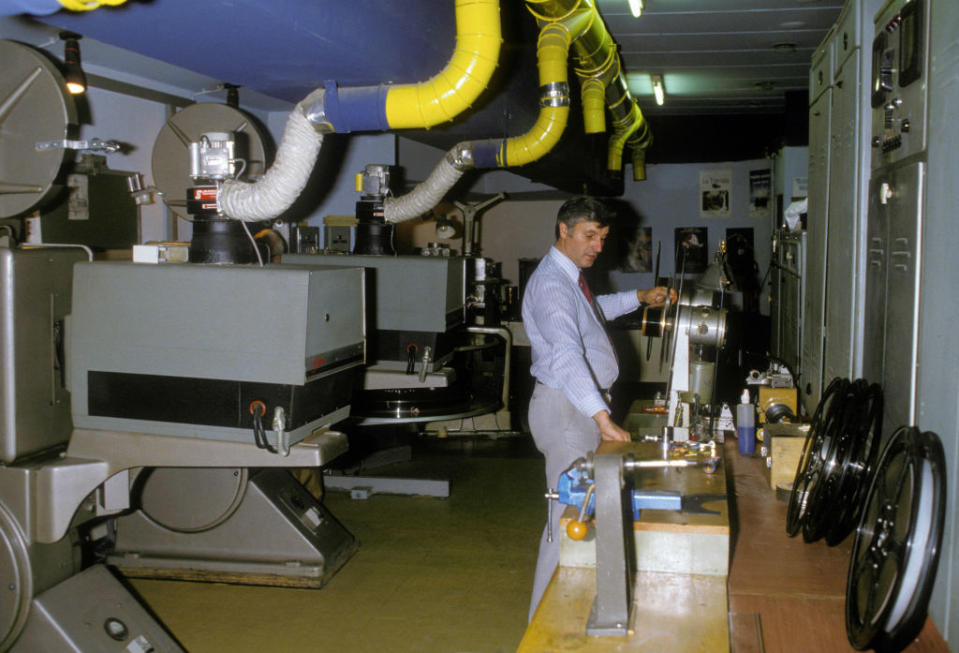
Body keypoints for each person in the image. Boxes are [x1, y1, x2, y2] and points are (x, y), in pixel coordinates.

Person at [521, 196, 672, 621]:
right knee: (569, 520)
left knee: (579, 516)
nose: (598, 246)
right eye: (590, 236)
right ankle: (542, 629)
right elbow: (568, 354)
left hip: (576, 408)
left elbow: (592, 313)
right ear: (563, 230)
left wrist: (639, 296)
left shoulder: (569, 278)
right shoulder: (552, 283)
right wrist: (602, 418)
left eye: (603, 238)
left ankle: (569, 615)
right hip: (568, 412)